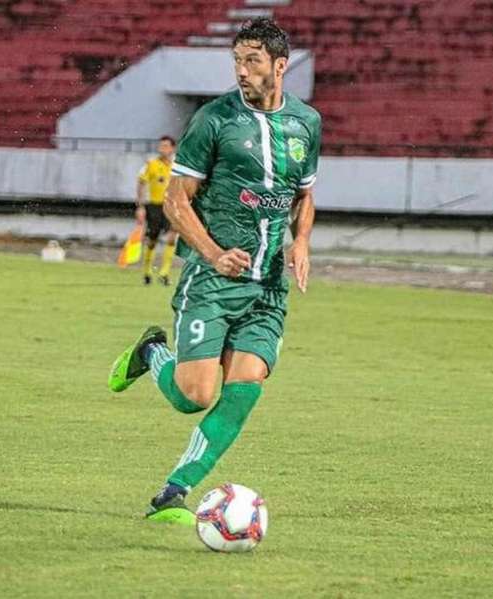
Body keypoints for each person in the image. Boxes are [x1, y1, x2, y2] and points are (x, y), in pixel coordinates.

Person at [108, 17, 321, 522]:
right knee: (194, 397)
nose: (242, 71)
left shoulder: (306, 123)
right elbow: (176, 202)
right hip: (213, 280)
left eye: (252, 61)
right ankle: (152, 350)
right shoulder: (214, 120)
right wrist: (212, 253)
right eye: (237, 61)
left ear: (280, 65)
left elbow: (305, 194)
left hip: (268, 287)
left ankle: (174, 492)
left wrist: (302, 240)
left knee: (246, 385)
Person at [136, 136, 177, 285]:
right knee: (152, 239)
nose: (162, 149)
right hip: (154, 206)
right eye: (161, 146)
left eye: (166, 146)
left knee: (172, 237)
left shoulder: (176, 166)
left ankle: (164, 273)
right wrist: (140, 207)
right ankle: (147, 271)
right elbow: (141, 183)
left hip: (171, 206)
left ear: (172, 148)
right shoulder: (151, 164)